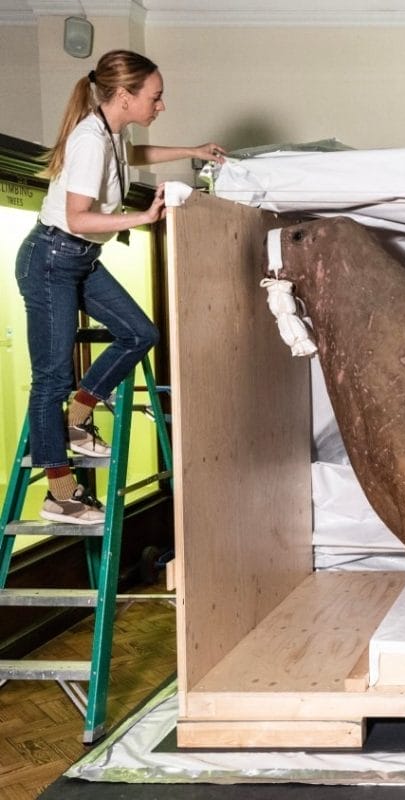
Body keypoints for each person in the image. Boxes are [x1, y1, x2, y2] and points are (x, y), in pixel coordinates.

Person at [15, 49, 226, 524]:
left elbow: (132, 156)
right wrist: (144, 216)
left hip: (80, 259)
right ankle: (60, 495)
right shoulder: (90, 139)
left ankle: (76, 418)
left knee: (140, 333)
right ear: (126, 96)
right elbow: (77, 218)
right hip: (51, 260)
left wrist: (191, 152)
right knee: (51, 378)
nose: (161, 105)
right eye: (155, 96)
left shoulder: (111, 132)